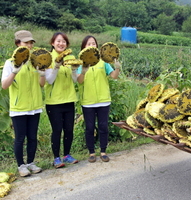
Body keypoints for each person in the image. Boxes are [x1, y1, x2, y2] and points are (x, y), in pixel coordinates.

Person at [1, 30, 44, 177]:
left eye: (31, 42)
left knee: (32, 136)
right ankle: (21, 166)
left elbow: (42, 84)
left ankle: (31, 163)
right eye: (26, 42)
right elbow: (4, 85)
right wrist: (14, 71)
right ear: (18, 43)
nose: (29, 45)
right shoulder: (10, 63)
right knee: (20, 138)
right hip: (19, 108)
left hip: (35, 106)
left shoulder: (35, 61)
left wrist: (42, 72)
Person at [77, 35, 121, 163]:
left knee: (103, 126)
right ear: (84, 47)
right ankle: (91, 152)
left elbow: (114, 76)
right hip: (88, 101)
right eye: (89, 44)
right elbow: (79, 81)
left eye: (93, 43)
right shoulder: (81, 62)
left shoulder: (103, 62)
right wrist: (84, 70)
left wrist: (117, 66)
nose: (91, 46)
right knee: (89, 127)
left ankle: (103, 151)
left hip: (103, 100)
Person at [44, 32, 78, 168]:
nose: (61, 43)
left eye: (64, 41)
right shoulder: (46, 57)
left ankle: (67, 155)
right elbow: (49, 80)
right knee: (57, 130)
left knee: (69, 129)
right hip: (54, 101)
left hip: (69, 99)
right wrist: (57, 66)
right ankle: (56, 158)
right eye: (58, 41)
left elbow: (75, 80)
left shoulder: (71, 58)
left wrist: (75, 70)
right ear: (52, 43)